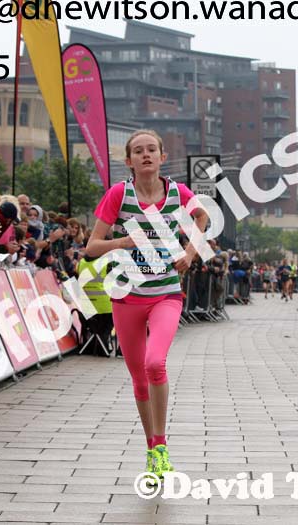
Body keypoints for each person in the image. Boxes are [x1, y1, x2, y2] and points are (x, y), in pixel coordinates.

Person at [85, 129, 208, 481]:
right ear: (129, 161)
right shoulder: (118, 195)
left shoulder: (177, 193)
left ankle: (162, 444)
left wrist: (190, 252)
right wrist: (121, 241)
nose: (146, 155)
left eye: (152, 149)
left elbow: (201, 218)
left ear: (162, 156)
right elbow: (92, 246)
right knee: (139, 379)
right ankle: (151, 448)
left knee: (156, 362)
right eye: (138, 151)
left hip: (166, 292)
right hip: (126, 296)